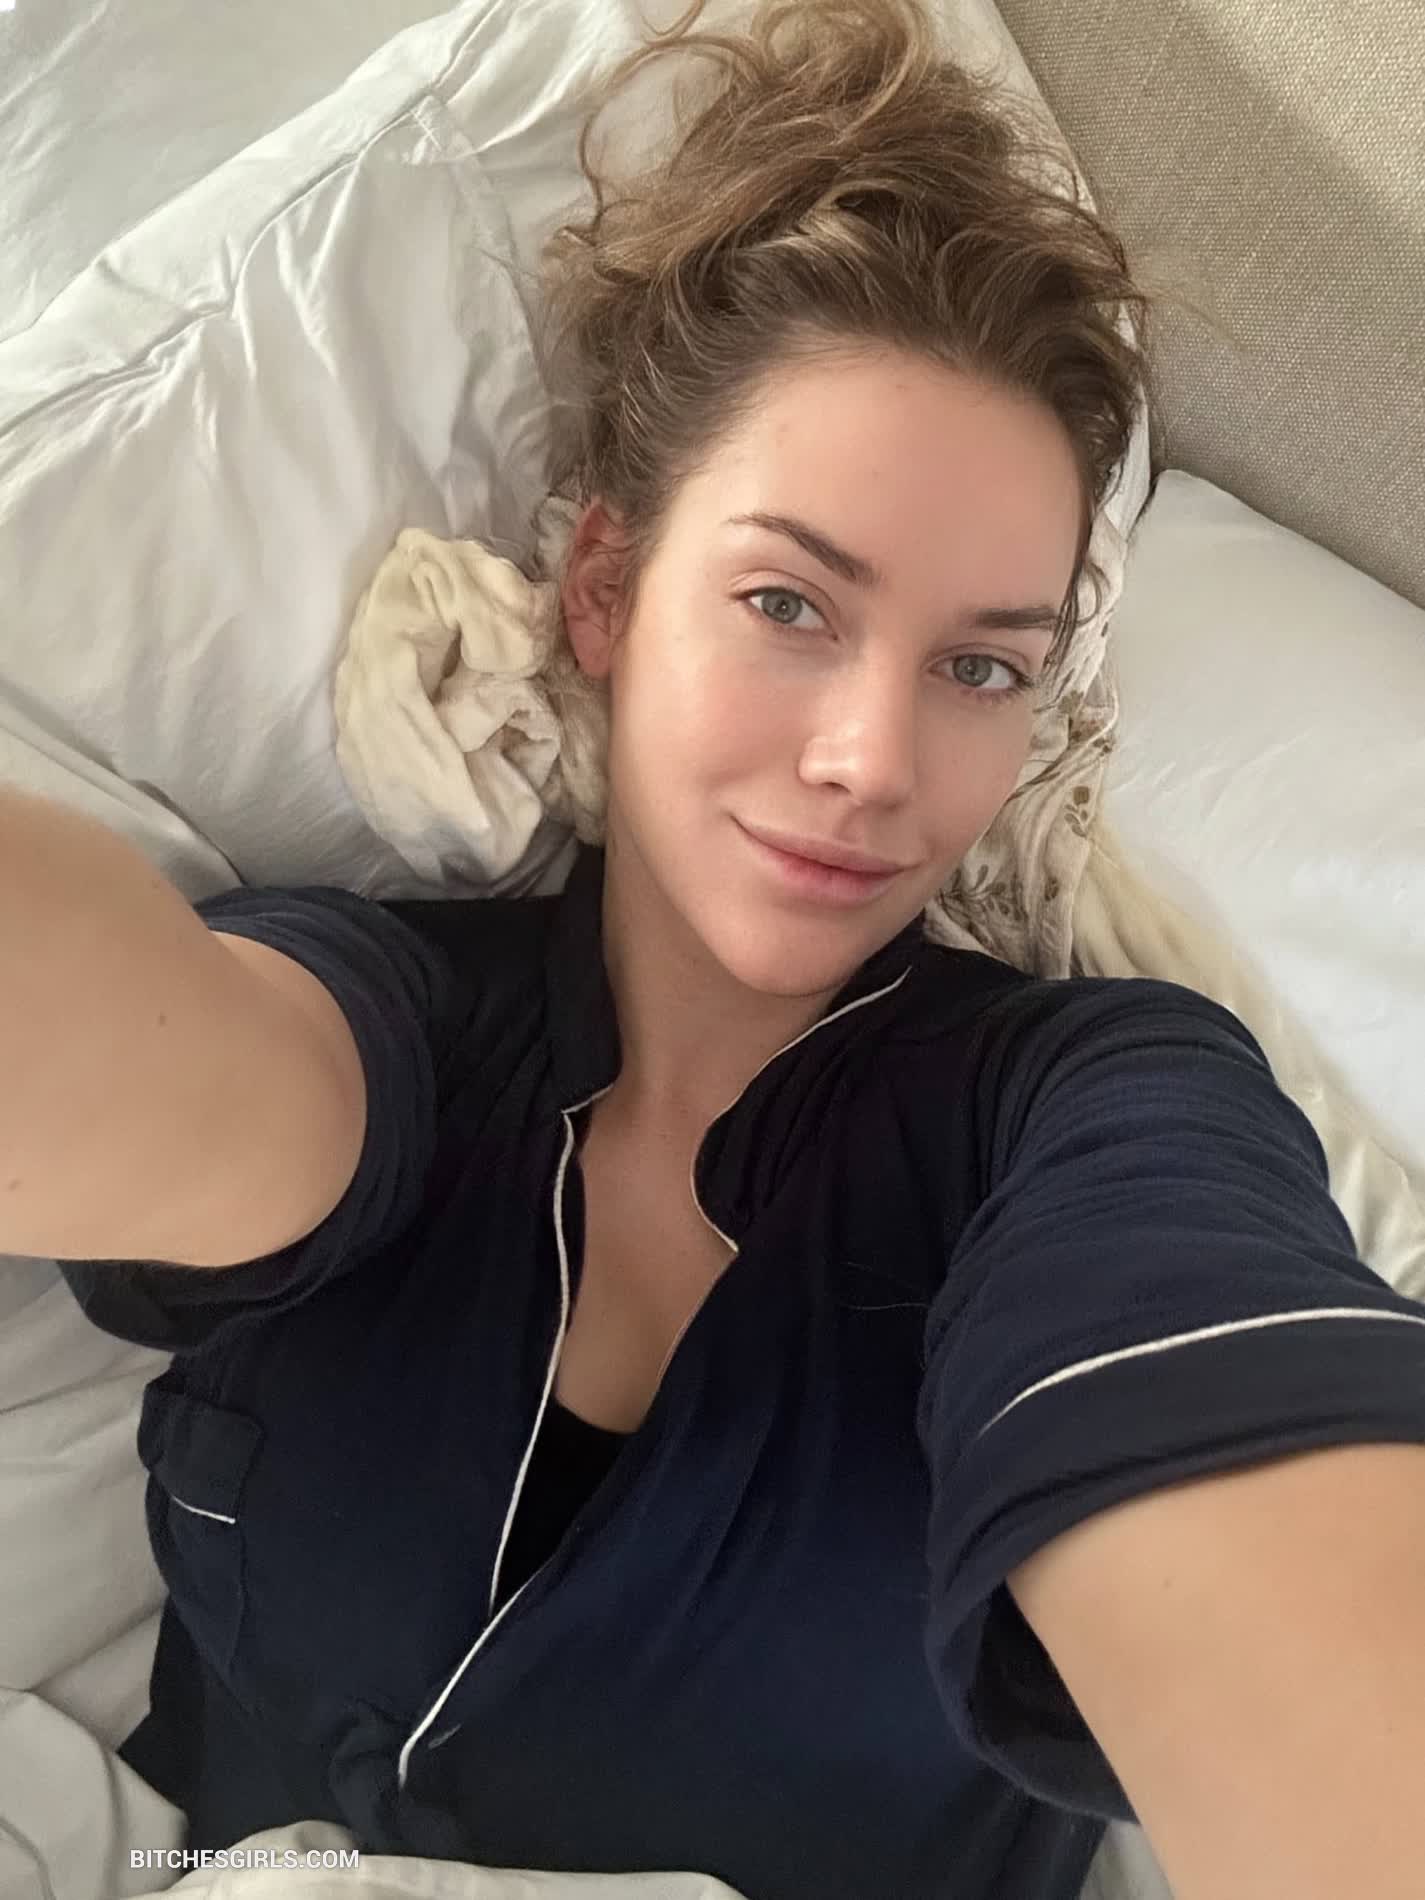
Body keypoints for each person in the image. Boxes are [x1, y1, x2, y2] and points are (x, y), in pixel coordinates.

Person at [8, 2, 1423, 1896]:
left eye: (977, 666)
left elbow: (1227, 1439)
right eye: (787, 603)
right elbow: (145, 1066)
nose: (872, 760)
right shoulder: (398, 1030)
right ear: (605, 591)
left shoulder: (1081, 1107)